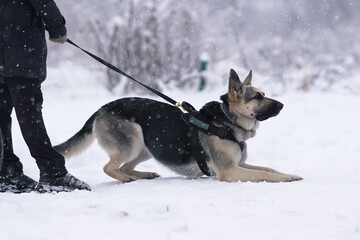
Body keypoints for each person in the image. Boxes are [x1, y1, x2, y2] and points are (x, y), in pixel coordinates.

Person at [0, 0, 91, 193]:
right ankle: (53, 173)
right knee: (30, 114)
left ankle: (7, 171)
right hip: (21, 53)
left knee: (2, 114)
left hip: (8, 54)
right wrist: (57, 28)